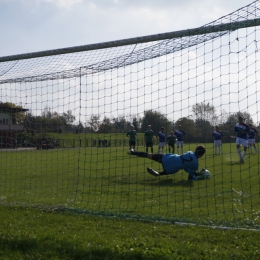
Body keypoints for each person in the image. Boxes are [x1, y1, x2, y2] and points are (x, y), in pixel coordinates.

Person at [129, 145, 206, 180]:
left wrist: (194, 172)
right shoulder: (195, 164)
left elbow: (186, 165)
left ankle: (132, 152)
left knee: (149, 155)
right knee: (168, 171)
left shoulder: (190, 152)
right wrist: (200, 177)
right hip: (173, 168)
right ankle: (158, 173)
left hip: (169, 158)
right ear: (202, 155)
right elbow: (190, 177)